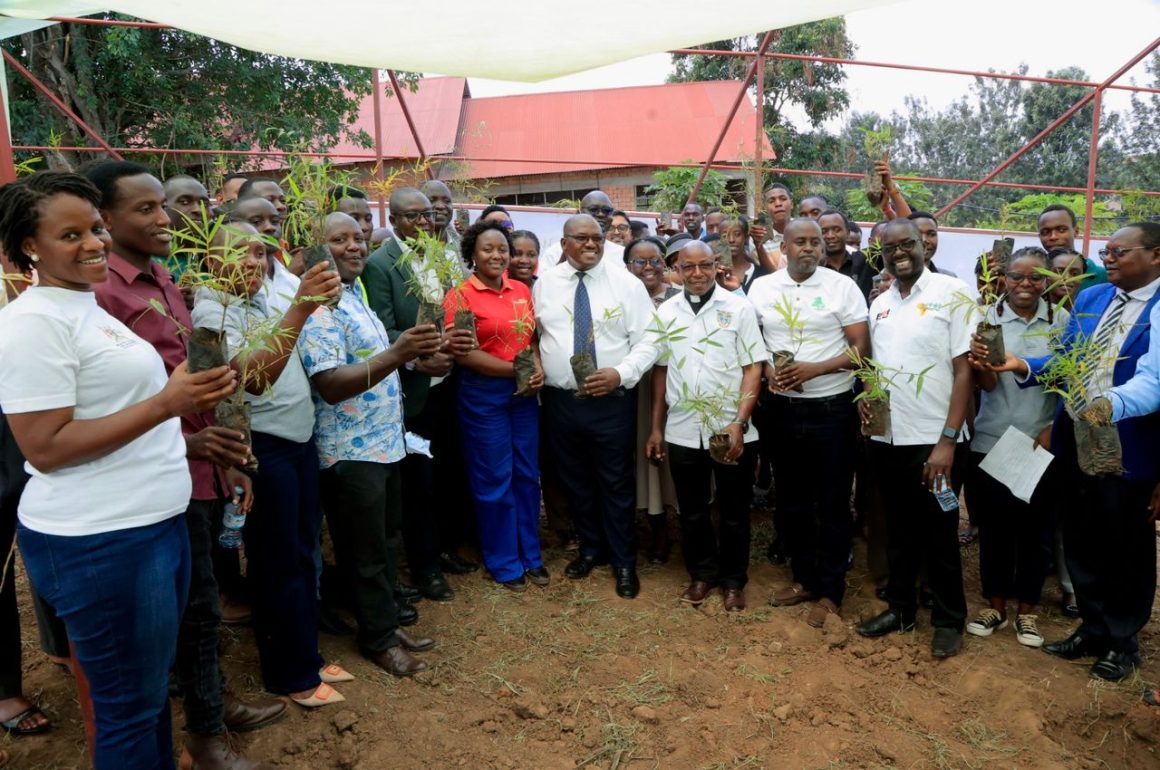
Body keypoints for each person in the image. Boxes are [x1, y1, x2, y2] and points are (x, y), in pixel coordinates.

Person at [0, 171, 237, 769]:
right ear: (30, 246)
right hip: (102, 540)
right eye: (70, 235)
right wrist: (168, 404)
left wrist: (184, 429)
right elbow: (45, 447)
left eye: (95, 228)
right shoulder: (33, 323)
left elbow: (118, 413)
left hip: (150, 523)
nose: (94, 243)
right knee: (127, 710)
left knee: (148, 695)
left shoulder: (86, 307)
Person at [85, 161, 286, 767]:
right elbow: (110, 402)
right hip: (154, 471)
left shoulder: (164, 279)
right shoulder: (104, 295)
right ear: (105, 218)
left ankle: (213, 703)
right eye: (145, 209)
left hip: (199, 463)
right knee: (191, 606)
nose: (166, 219)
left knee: (201, 600)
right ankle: (205, 731)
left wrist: (225, 453)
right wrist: (190, 445)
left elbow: (198, 378)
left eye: (162, 207)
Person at [977, 222, 1159, 681]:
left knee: (1126, 547)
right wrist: (1022, 364)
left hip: (1130, 449)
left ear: (1155, 255)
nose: (1107, 259)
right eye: (1107, 251)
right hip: (1074, 441)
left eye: (1118, 251)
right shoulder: (1095, 298)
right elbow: (1066, 360)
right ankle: (1093, 628)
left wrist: (1106, 405)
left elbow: (1153, 382)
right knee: (1083, 538)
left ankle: (1121, 641)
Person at [190, 223, 348, 707]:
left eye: (260, 253)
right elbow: (254, 379)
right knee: (276, 560)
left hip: (298, 440)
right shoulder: (211, 312)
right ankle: (289, 674)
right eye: (238, 253)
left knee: (301, 553)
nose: (253, 263)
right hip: (264, 448)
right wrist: (300, 306)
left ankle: (306, 656)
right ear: (210, 261)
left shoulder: (267, 295)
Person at [299, 212, 441, 675]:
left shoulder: (353, 294)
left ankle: (384, 624)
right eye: (339, 239)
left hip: (384, 443)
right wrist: (398, 353)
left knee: (385, 539)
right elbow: (331, 384)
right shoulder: (317, 308)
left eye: (359, 238)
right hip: (349, 451)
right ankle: (377, 639)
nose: (355, 246)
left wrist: (408, 356)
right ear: (316, 250)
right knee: (364, 550)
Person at [855, 218, 972, 659]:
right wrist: (867, 397)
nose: (899, 253)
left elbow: (964, 370)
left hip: (935, 440)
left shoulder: (953, 293)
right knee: (898, 530)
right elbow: (873, 365)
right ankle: (901, 610)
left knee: (940, 531)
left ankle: (948, 620)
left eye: (907, 244)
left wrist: (947, 441)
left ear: (924, 244)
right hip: (888, 439)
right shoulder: (881, 304)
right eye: (890, 248)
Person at [749, 218, 869, 627]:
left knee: (833, 501)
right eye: (800, 241)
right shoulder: (763, 288)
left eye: (815, 242)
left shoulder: (842, 287)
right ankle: (804, 579)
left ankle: (831, 592)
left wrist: (814, 369)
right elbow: (753, 339)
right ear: (783, 247)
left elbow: (861, 349)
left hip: (832, 409)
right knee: (792, 499)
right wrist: (768, 370)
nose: (809, 248)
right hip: (781, 410)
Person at [362, 187, 478, 602]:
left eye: (427, 214)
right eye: (413, 216)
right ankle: (425, 567)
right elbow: (383, 328)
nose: (424, 222)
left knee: (448, 472)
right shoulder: (380, 264)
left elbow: (456, 311)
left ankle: (445, 550)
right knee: (419, 482)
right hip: (411, 389)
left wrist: (457, 342)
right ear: (393, 220)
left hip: (449, 383)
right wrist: (416, 361)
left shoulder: (445, 256)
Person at [535, 214, 658, 599]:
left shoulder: (626, 284)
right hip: (561, 401)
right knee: (576, 479)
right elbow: (537, 335)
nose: (591, 244)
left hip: (610, 402)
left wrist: (621, 374)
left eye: (597, 238)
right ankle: (591, 548)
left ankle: (623, 561)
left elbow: (651, 340)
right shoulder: (546, 284)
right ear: (564, 243)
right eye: (582, 238)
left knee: (615, 481)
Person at [646, 240, 763, 611]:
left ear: (716, 265)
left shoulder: (739, 308)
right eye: (688, 267)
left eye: (705, 265)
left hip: (728, 428)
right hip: (683, 428)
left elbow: (753, 368)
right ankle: (702, 574)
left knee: (733, 511)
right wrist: (656, 428)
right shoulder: (667, 312)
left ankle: (734, 580)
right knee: (692, 510)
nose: (697, 274)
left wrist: (739, 422)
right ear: (677, 270)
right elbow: (661, 372)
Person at [963, 247, 1068, 649]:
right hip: (992, 439)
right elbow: (986, 385)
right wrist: (981, 367)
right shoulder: (986, 319)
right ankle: (995, 606)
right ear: (1004, 279)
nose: (1026, 284)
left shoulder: (1062, 322)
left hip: (1040, 442)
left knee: (1036, 532)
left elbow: (1072, 380)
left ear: (1047, 280)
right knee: (995, 530)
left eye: (1036, 277)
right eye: (1017, 277)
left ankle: (1028, 611)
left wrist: (1054, 427)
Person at [445, 220, 548, 590]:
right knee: (494, 478)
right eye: (487, 249)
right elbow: (465, 354)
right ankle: (504, 561)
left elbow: (531, 339)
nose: (497, 255)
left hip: (523, 395)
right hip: (483, 394)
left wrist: (536, 367)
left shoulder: (520, 289)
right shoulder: (460, 296)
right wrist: (516, 371)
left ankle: (531, 554)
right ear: (472, 254)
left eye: (502, 249)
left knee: (526, 475)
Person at [623, 237, 679, 563]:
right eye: (640, 262)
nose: (648, 268)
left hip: (680, 386)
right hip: (639, 389)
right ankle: (656, 528)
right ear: (627, 266)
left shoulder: (679, 297)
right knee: (647, 458)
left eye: (655, 260)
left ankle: (686, 523)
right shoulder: (622, 299)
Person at [538, 191, 626, 274]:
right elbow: (546, 282)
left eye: (607, 211)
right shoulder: (554, 253)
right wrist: (566, 256)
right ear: (579, 213)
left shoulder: (622, 254)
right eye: (593, 209)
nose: (601, 214)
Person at [1037, 204, 1108, 292]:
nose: (1053, 237)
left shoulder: (1102, 277)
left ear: (1076, 231)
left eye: (1061, 230)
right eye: (1045, 232)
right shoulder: (1034, 276)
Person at [819, 210, 872, 299]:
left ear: (847, 233)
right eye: (824, 231)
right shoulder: (814, 269)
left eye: (837, 230)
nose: (830, 236)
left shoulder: (866, 261)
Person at [720, 215, 771, 294]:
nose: (731, 240)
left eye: (737, 234)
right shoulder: (717, 274)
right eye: (725, 236)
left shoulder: (760, 273)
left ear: (746, 238)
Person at [907, 211, 957, 278]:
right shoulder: (894, 280)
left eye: (931, 234)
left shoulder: (950, 279)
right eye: (917, 234)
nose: (924, 240)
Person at [420, 179, 459, 245]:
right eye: (431, 200)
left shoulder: (462, 246)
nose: (440, 206)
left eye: (447, 201)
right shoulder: (406, 247)